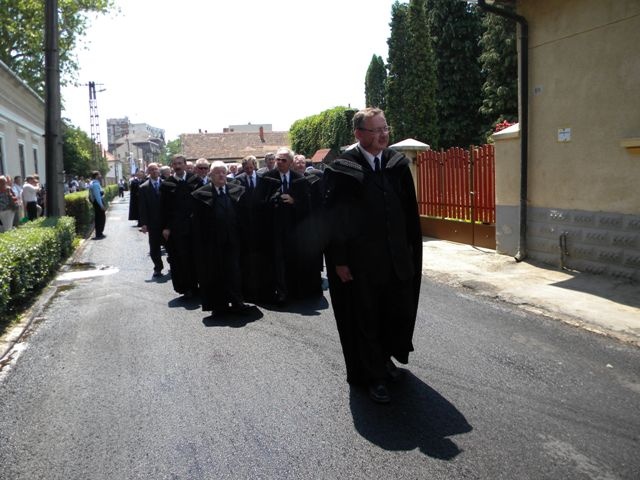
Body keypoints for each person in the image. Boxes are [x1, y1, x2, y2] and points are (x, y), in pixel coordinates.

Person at [323, 107, 422, 404]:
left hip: (395, 260)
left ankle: (385, 359)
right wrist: (339, 260)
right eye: (376, 130)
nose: (383, 135)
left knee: (393, 314)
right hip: (361, 264)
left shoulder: (396, 165)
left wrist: (410, 252)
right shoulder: (342, 170)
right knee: (366, 319)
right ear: (358, 134)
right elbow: (333, 220)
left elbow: (409, 213)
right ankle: (372, 376)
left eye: (385, 128)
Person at [254, 147, 315, 304]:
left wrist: (294, 201)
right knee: (277, 260)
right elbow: (257, 202)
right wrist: (272, 200)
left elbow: (307, 205)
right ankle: (281, 291)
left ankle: (295, 289)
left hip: (294, 227)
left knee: (293, 258)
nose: (279, 162)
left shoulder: (299, 179)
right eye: (277, 159)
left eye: (283, 160)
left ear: (291, 162)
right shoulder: (267, 178)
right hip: (273, 227)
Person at [191, 161, 250, 314]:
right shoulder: (201, 195)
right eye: (217, 172)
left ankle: (237, 301)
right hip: (212, 242)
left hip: (233, 240)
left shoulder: (237, 191)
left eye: (223, 172)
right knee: (215, 273)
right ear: (210, 175)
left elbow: (244, 217)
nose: (221, 175)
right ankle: (218, 305)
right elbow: (197, 223)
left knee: (234, 272)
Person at [160, 154, 200, 298]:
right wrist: (165, 227)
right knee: (180, 258)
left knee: (195, 256)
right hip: (176, 227)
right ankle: (185, 287)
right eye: (175, 164)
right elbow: (163, 208)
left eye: (180, 163)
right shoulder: (167, 184)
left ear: (185, 164)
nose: (177, 166)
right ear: (172, 166)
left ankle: (197, 285)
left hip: (194, 226)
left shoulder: (195, 180)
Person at [138, 163, 164, 277]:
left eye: (156, 169)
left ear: (159, 171)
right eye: (151, 170)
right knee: (154, 247)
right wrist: (144, 224)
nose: (154, 171)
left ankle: (173, 265)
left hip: (166, 222)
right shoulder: (143, 187)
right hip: (153, 222)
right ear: (148, 172)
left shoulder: (166, 184)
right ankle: (158, 267)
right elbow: (142, 207)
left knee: (171, 246)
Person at [88, 171, 106, 239]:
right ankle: (99, 233)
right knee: (100, 218)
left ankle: (99, 232)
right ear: (96, 176)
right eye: (99, 174)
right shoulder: (95, 184)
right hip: (98, 203)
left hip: (97, 202)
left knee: (99, 218)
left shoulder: (94, 183)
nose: (100, 176)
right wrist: (101, 205)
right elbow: (97, 196)